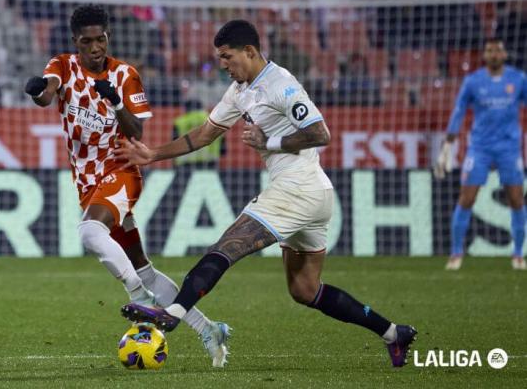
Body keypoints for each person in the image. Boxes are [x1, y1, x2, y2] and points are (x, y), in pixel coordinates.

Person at [115, 19, 417, 367]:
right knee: (305, 290)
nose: (223, 64)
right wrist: (153, 154)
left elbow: (321, 133)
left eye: (227, 57)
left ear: (250, 51)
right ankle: (394, 333)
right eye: (219, 57)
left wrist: (269, 141)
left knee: (227, 246)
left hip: (298, 189)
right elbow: (204, 134)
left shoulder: (281, 85)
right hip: (314, 195)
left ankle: (172, 314)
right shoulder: (240, 91)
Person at [23, 4, 230, 367]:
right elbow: (47, 93)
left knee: (90, 232)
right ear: (76, 42)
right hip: (87, 181)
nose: (94, 47)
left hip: (121, 171)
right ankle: (208, 329)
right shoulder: (63, 66)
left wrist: (115, 101)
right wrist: (38, 90)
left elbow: (137, 132)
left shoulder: (126, 75)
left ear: (108, 37)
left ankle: (141, 297)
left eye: (100, 39)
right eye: (86, 41)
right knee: (143, 265)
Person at [434, 38, 527, 271]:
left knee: (516, 199)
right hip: (480, 148)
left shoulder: (518, 79)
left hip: (509, 147)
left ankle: (518, 254)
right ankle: (456, 253)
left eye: (497, 50)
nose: (493, 54)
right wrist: (447, 148)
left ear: (504, 54)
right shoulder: (473, 81)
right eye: (489, 50)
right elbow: (458, 111)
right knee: (467, 198)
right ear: (484, 55)